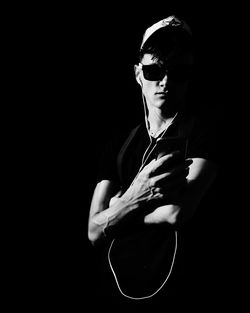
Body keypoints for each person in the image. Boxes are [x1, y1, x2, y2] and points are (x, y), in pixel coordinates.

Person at [87, 15, 220, 312]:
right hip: (114, 293)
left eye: (179, 71)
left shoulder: (204, 134)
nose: (166, 81)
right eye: (153, 70)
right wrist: (140, 196)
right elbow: (92, 231)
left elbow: (175, 212)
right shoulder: (120, 143)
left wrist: (118, 212)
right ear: (137, 74)